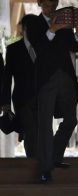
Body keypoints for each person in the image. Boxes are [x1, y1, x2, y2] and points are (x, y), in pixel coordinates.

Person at [27, 0, 78, 183]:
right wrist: (52, 29)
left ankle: (54, 156)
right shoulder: (33, 23)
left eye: (53, 3)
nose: (50, 7)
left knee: (71, 120)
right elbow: (39, 48)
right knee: (45, 124)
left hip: (66, 78)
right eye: (47, 3)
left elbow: (73, 47)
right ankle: (45, 169)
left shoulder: (63, 20)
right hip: (45, 81)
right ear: (40, 4)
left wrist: (77, 32)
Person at [0, 14, 38, 157]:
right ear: (24, 29)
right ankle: (33, 162)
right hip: (22, 99)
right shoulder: (14, 49)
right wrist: (5, 102)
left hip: (43, 97)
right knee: (30, 130)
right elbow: (7, 78)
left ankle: (41, 160)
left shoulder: (43, 47)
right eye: (30, 27)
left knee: (42, 130)